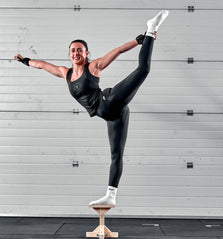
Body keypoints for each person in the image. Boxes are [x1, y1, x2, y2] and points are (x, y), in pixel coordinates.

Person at [14, 10, 169, 206]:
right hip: (113, 116)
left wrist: (138, 41)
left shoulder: (94, 66)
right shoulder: (65, 73)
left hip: (109, 100)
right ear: (69, 54)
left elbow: (118, 50)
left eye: (80, 50)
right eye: (73, 50)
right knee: (116, 155)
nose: (76, 53)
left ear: (87, 53)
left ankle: (151, 29)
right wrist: (26, 61)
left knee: (143, 70)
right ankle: (111, 195)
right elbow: (43, 65)